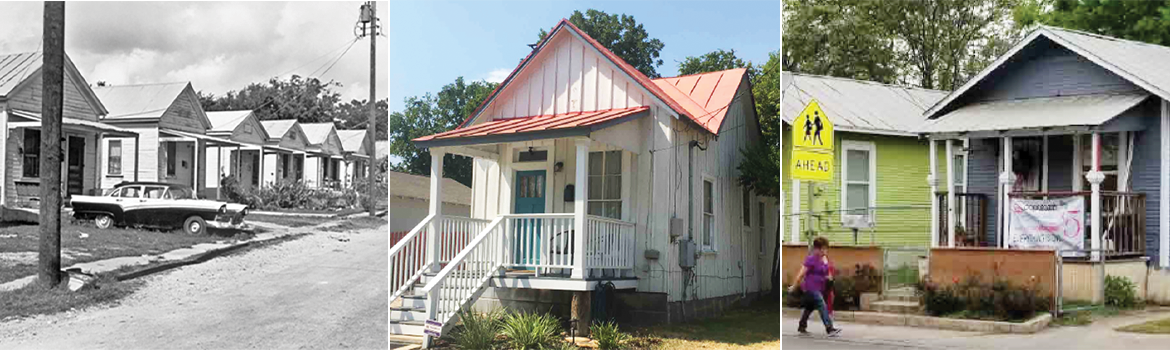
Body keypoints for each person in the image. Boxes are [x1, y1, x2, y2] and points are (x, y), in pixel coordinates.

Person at [789, 237, 842, 337]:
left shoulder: (824, 259)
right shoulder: (811, 259)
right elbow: (801, 274)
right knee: (822, 305)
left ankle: (802, 326)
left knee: (809, 307)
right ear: (816, 249)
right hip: (811, 288)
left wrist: (829, 279)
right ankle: (829, 329)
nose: (825, 251)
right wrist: (794, 286)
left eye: (826, 249)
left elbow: (827, 273)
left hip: (820, 288)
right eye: (823, 249)